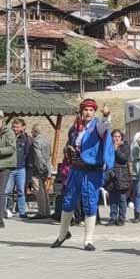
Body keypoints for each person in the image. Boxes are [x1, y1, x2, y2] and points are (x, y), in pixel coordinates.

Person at [52, 99, 113, 250]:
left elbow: (105, 125)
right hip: (75, 170)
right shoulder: (75, 128)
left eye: (91, 110)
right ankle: (63, 234)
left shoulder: (97, 126)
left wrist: (106, 116)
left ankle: (88, 240)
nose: (88, 113)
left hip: (91, 171)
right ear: (81, 111)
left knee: (90, 203)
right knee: (68, 202)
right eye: (85, 110)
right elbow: (70, 145)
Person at [7, 118, 31, 219]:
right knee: (7, 191)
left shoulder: (25, 139)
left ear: (22, 127)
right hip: (9, 168)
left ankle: (22, 212)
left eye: (17, 127)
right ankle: (7, 210)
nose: (15, 128)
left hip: (21, 169)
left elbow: (27, 153)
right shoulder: (9, 137)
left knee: (21, 191)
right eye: (13, 126)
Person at [26, 124, 52, 220]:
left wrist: (41, 169)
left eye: (32, 131)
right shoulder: (47, 140)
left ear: (35, 131)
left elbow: (38, 157)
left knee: (39, 191)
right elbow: (49, 155)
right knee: (45, 191)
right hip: (47, 168)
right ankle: (47, 210)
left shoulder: (36, 142)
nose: (31, 133)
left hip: (38, 169)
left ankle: (42, 211)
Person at [106, 129, 130, 226]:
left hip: (121, 173)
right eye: (114, 136)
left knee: (121, 198)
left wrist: (116, 150)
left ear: (121, 137)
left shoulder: (125, 147)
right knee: (112, 197)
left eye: (118, 136)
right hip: (111, 173)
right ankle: (112, 217)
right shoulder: (109, 147)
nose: (116, 138)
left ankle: (121, 218)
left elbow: (124, 159)